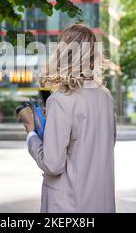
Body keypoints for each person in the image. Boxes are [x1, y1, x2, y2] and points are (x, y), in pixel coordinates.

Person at [22, 23, 116, 213]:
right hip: (101, 203)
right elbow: (103, 144)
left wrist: (31, 133)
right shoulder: (105, 96)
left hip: (68, 205)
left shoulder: (60, 100)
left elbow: (52, 164)